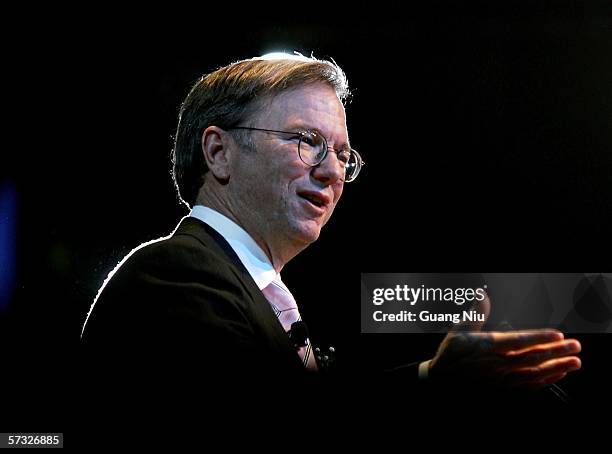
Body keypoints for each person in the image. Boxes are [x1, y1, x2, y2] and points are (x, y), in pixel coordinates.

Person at [80, 53, 581, 413]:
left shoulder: (251, 288)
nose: (331, 172)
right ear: (219, 153)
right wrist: (435, 381)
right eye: (306, 141)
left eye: (342, 154)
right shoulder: (173, 276)